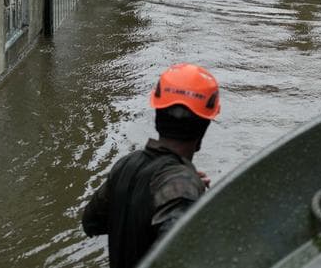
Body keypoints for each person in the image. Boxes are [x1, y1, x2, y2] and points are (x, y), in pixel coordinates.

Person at [81, 63, 221, 268]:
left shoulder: (126, 166)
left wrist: (180, 186)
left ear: (157, 116)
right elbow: (179, 258)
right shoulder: (182, 187)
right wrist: (193, 197)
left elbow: (91, 223)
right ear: (204, 126)